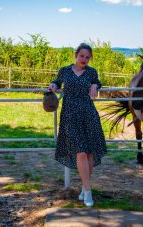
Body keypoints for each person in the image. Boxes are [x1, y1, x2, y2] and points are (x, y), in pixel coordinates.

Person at [48, 43, 106, 207]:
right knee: (80, 152)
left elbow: (97, 82)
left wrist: (95, 85)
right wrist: (53, 85)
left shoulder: (92, 72)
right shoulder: (65, 70)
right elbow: (57, 82)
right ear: (76, 55)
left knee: (89, 154)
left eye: (88, 57)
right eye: (82, 56)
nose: (84, 60)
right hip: (70, 115)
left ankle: (84, 187)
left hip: (89, 115)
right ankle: (88, 192)